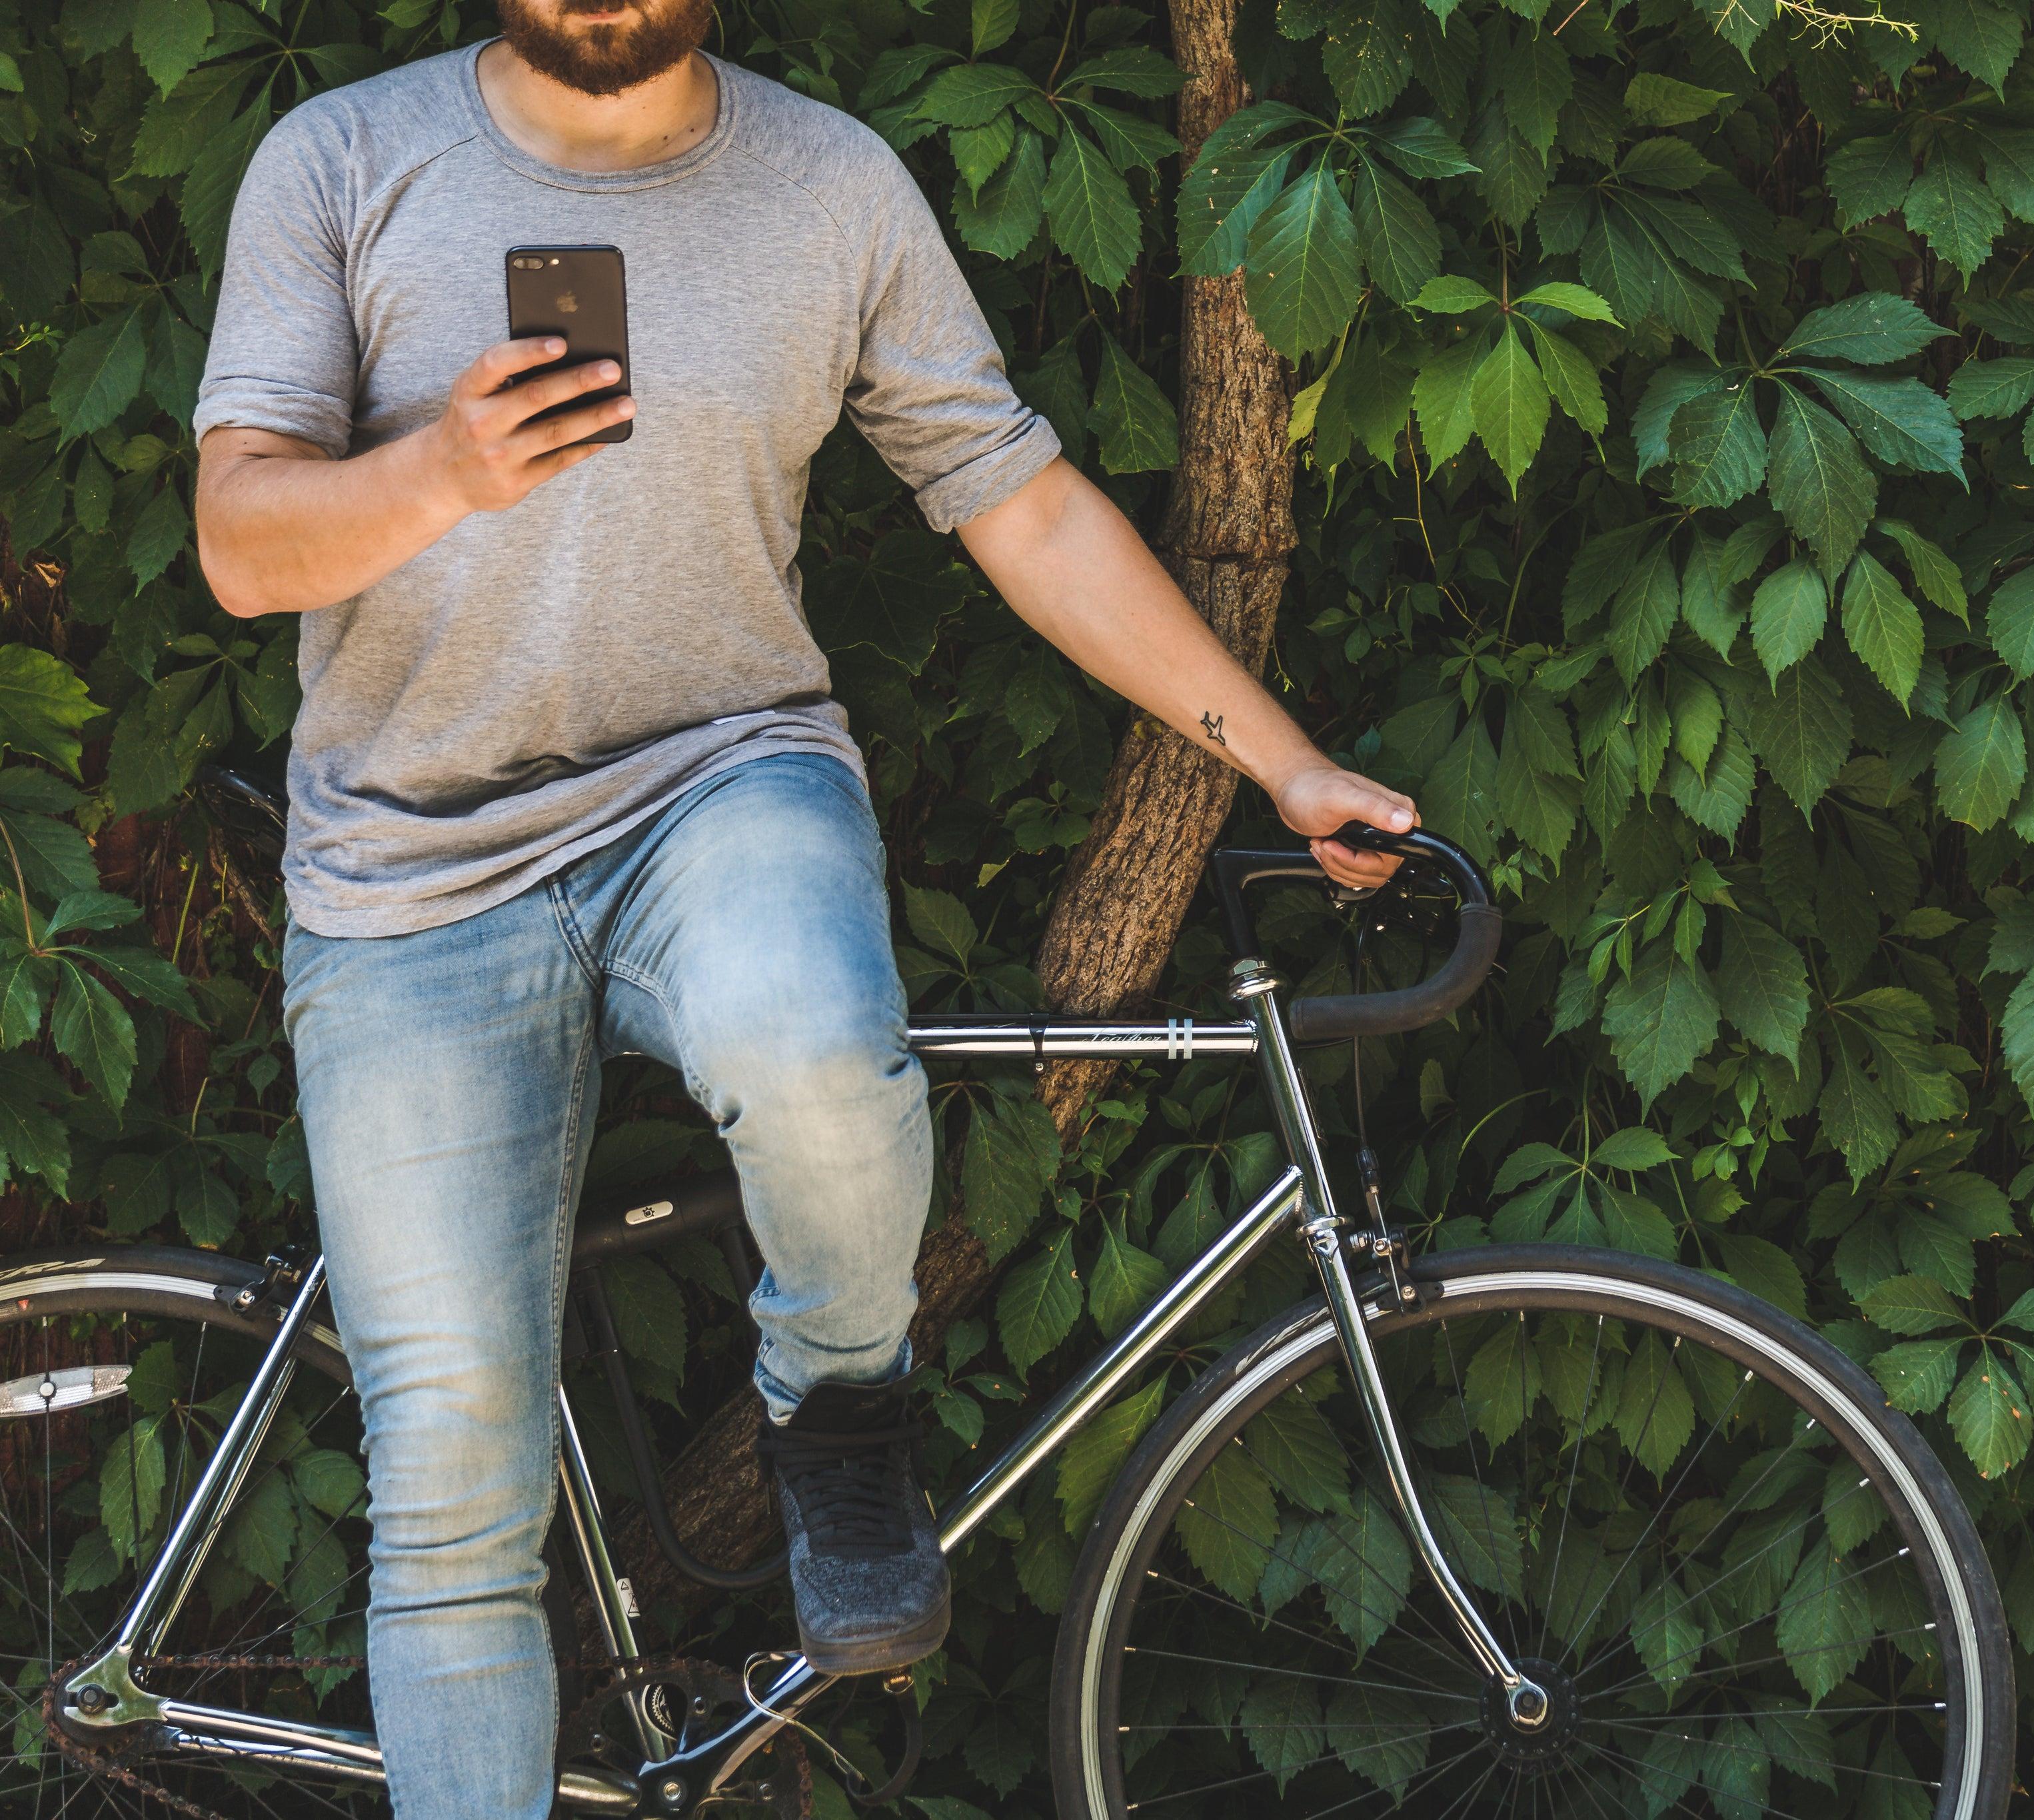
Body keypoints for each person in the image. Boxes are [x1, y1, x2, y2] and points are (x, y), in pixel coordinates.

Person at [188, 0, 1415, 1811]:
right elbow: (239, 540)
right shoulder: (347, 160)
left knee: (821, 1038)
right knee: (450, 1497)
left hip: (717, 782)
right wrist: (441, 468)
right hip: (412, 863)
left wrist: (1284, 760)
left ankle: (838, 1401)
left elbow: (1020, 499)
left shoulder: (829, 182)